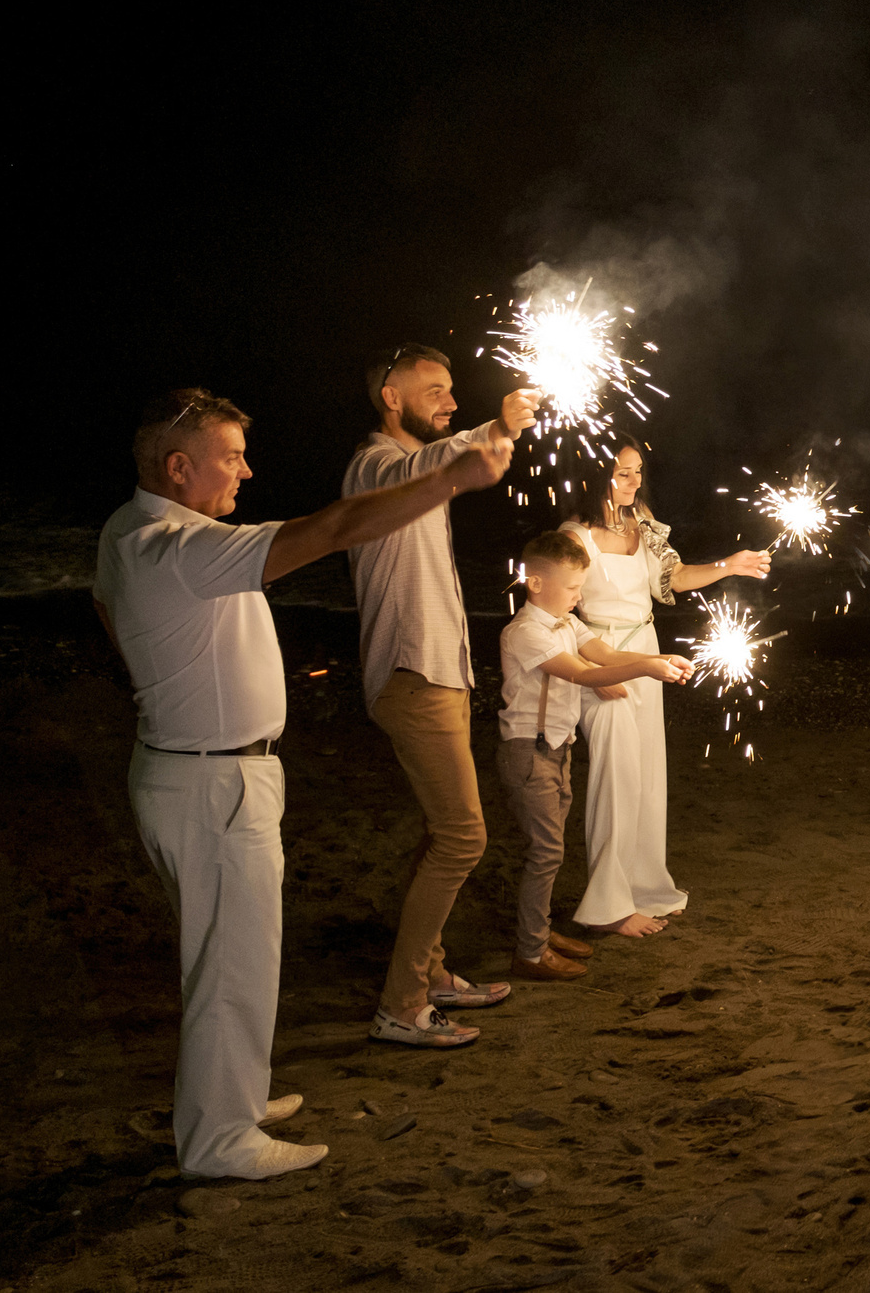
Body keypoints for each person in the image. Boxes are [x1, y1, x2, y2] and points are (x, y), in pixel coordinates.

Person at [98, 388, 511, 1171]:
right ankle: (220, 1138)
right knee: (228, 963)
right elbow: (333, 527)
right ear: (179, 466)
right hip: (213, 781)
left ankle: (238, 1096)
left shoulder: (128, 529)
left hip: (195, 768)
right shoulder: (179, 545)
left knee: (237, 953)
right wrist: (449, 479)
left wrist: (161, 680)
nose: (247, 471)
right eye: (232, 456)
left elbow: (102, 604)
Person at [345, 344, 538, 1047]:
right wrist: (496, 427)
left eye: (454, 391)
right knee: (463, 836)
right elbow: (426, 465)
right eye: (435, 390)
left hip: (438, 672)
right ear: (391, 396)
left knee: (442, 830)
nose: (449, 400)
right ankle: (402, 1003)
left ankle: (430, 973)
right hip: (410, 674)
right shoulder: (377, 463)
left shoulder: (418, 476)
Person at [559, 441, 771, 934]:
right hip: (602, 661)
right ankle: (607, 908)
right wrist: (595, 676)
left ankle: (645, 888)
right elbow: (561, 614)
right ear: (595, 477)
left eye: (637, 472)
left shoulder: (644, 522)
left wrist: (728, 565)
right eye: (621, 474)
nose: (633, 483)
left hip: (647, 654)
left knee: (647, 776)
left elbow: (673, 578)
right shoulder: (574, 537)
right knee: (615, 780)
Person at [495, 529, 693, 978]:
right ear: (536, 583)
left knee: (552, 848)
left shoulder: (566, 622)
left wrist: (660, 657)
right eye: (571, 589)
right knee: (544, 852)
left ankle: (539, 933)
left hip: (556, 751)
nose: (579, 597)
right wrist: (648, 668)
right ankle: (530, 950)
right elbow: (581, 675)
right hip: (528, 754)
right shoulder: (524, 632)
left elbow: (600, 652)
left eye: (581, 588)